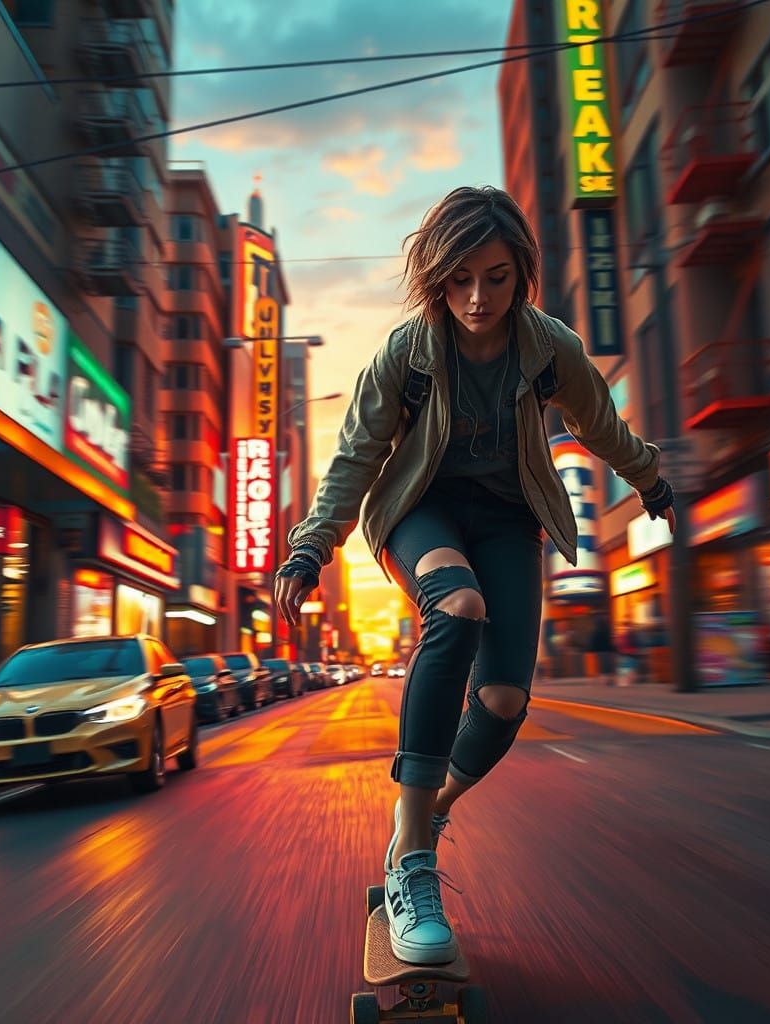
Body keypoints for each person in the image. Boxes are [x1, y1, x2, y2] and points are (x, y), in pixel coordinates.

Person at [274, 187, 675, 965]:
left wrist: (647, 478)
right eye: (460, 280)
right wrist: (310, 547)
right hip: (419, 510)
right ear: (437, 279)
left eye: (495, 278)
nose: (478, 298)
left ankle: (418, 823)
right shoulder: (405, 354)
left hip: (505, 518)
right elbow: (355, 458)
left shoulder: (548, 346)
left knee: (502, 700)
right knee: (456, 608)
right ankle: (414, 870)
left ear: (520, 274)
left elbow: (598, 421)